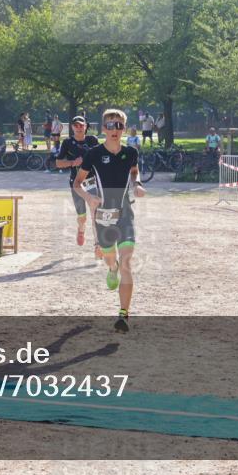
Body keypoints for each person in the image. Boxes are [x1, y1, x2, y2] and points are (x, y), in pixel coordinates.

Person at [73, 109, 146, 333]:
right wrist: (89, 198)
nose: (115, 130)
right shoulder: (93, 154)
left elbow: (134, 172)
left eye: (119, 126)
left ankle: (123, 314)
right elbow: (77, 184)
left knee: (127, 262)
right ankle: (111, 267)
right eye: (111, 126)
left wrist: (137, 184)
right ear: (104, 129)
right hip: (103, 215)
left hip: (124, 213)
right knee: (111, 258)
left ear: (124, 129)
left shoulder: (131, 152)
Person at [56, 116, 100, 250]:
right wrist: (72, 162)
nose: (79, 128)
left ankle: (97, 244)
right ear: (72, 127)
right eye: (76, 125)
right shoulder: (67, 143)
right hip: (76, 183)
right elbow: (58, 163)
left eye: (81, 125)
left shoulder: (93, 140)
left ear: (86, 127)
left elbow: (100, 157)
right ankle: (81, 230)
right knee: (82, 217)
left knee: (95, 213)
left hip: (91, 181)